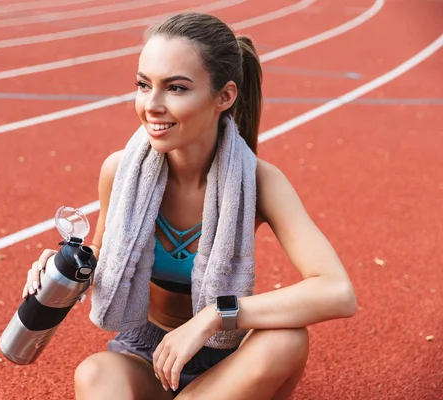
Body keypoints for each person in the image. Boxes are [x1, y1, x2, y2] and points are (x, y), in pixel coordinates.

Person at [22, 12, 357, 400]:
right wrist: (66, 267)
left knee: (287, 339)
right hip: (147, 353)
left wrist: (215, 316)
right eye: (143, 84)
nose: (152, 104)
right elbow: (105, 251)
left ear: (225, 96)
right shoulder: (120, 171)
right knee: (95, 373)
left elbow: (337, 292)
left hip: (227, 355)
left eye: (176, 88)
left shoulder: (261, 182)